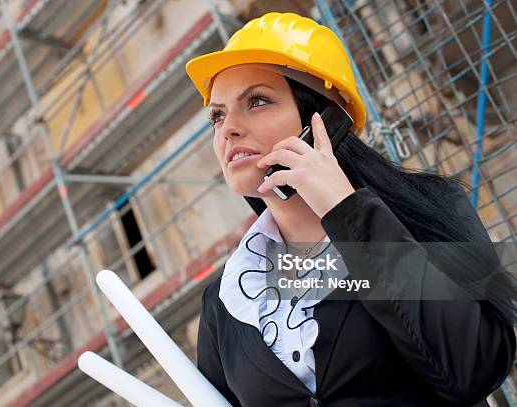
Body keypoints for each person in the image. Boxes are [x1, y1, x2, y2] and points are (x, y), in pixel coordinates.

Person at [185, 11, 515, 407]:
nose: (228, 129)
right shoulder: (225, 303)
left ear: (325, 120)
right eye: (217, 115)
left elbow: (473, 368)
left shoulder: (427, 209)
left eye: (257, 101)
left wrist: (347, 211)